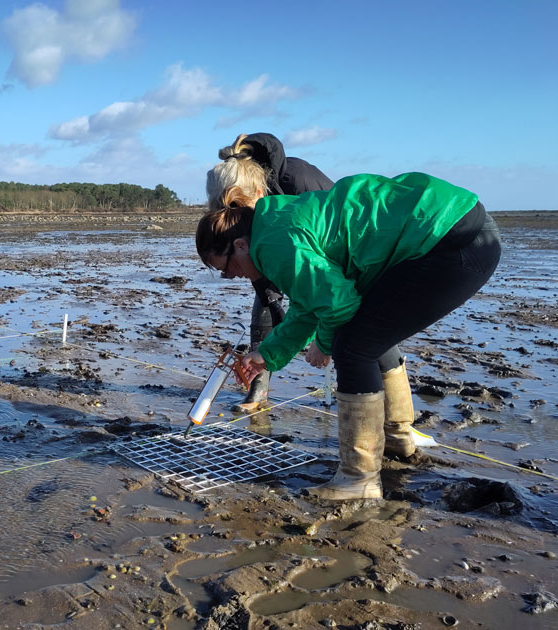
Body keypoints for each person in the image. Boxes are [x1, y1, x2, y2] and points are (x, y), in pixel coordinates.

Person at [196, 172, 501, 500]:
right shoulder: (273, 222)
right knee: (367, 335)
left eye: (226, 267)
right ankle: (397, 440)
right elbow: (309, 302)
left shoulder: (272, 244)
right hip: (456, 225)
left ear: (240, 244)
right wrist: (267, 354)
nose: (231, 276)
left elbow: (338, 305)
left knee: (353, 347)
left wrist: (323, 346)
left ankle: (359, 479)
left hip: (450, 240)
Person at [206, 133, 333, 412]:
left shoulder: (297, 182)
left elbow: (327, 287)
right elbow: (258, 270)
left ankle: (395, 417)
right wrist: (273, 303)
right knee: (264, 309)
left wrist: (322, 339)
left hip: (331, 250)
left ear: (258, 194)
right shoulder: (247, 211)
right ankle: (258, 391)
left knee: (360, 324)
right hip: (281, 248)